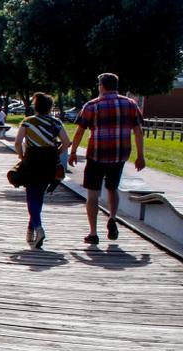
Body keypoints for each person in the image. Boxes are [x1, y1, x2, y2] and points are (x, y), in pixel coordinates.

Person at [68, 72, 146, 244]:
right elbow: (138, 131)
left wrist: (73, 152)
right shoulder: (131, 104)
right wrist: (140, 156)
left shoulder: (92, 105)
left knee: (93, 193)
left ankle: (93, 233)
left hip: (97, 154)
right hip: (119, 155)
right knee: (113, 188)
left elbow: (80, 131)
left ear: (101, 86)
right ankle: (112, 217)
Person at [13, 93, 70, 249]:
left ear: (35, 107)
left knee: (32, 195)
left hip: (32, 160)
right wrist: (56, 153)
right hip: (49, 162)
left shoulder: (28, 122)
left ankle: (38, 228)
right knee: (38, 195)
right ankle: (30, 230)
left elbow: (18, 142)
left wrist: (21, 156)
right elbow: (66, 142)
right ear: (50, 107)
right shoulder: (55, 122)